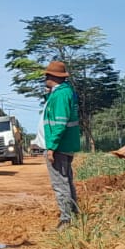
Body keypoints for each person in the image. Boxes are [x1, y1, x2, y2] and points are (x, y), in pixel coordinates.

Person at [40, 61, 81, 226]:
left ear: (53, 77)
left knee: (60, 183)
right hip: (65, 145)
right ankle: (74, 215)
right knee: (66, 181)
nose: (45, 78)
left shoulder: (61, 95)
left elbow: (60, 123)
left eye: (47, 75)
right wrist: (47, 95)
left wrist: (52, 147)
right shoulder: (62, 93)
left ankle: (66, 219)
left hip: (60, 146)